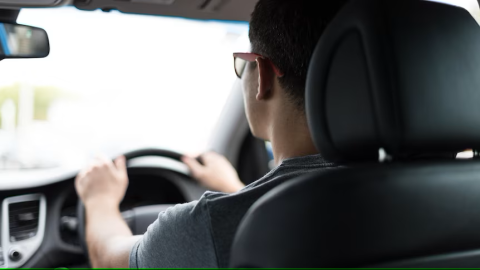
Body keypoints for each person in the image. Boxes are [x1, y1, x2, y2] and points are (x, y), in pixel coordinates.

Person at [74, 0, 347, 268]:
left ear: (262, 75)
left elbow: (108, 259)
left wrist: (100, 200)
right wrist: (234, 188)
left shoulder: (209, 225)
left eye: (243, 64)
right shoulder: (384, 192)